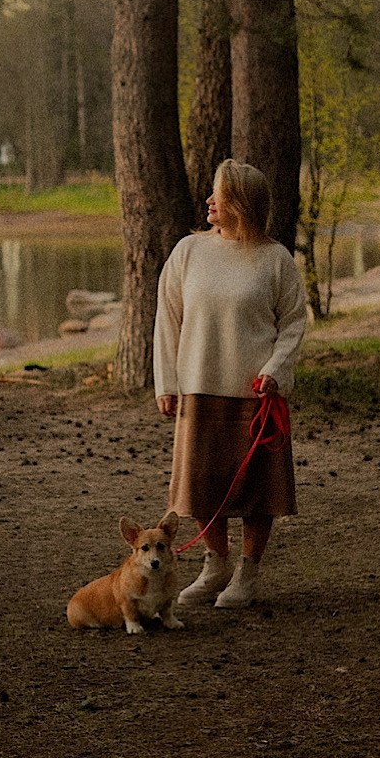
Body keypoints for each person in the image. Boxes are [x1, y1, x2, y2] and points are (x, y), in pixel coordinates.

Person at [154, 158, 307, 609]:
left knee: (258, 490)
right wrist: (166, 382)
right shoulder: (188, 252)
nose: (209, 200)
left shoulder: (275, 260)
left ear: (239, 202)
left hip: (255, 396)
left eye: (218, 194)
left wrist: (276, 371)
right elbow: (168, 319)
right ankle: (215, 563)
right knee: (202, 484)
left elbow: (294, 323)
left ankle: (247, 573)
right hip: (198, 385)